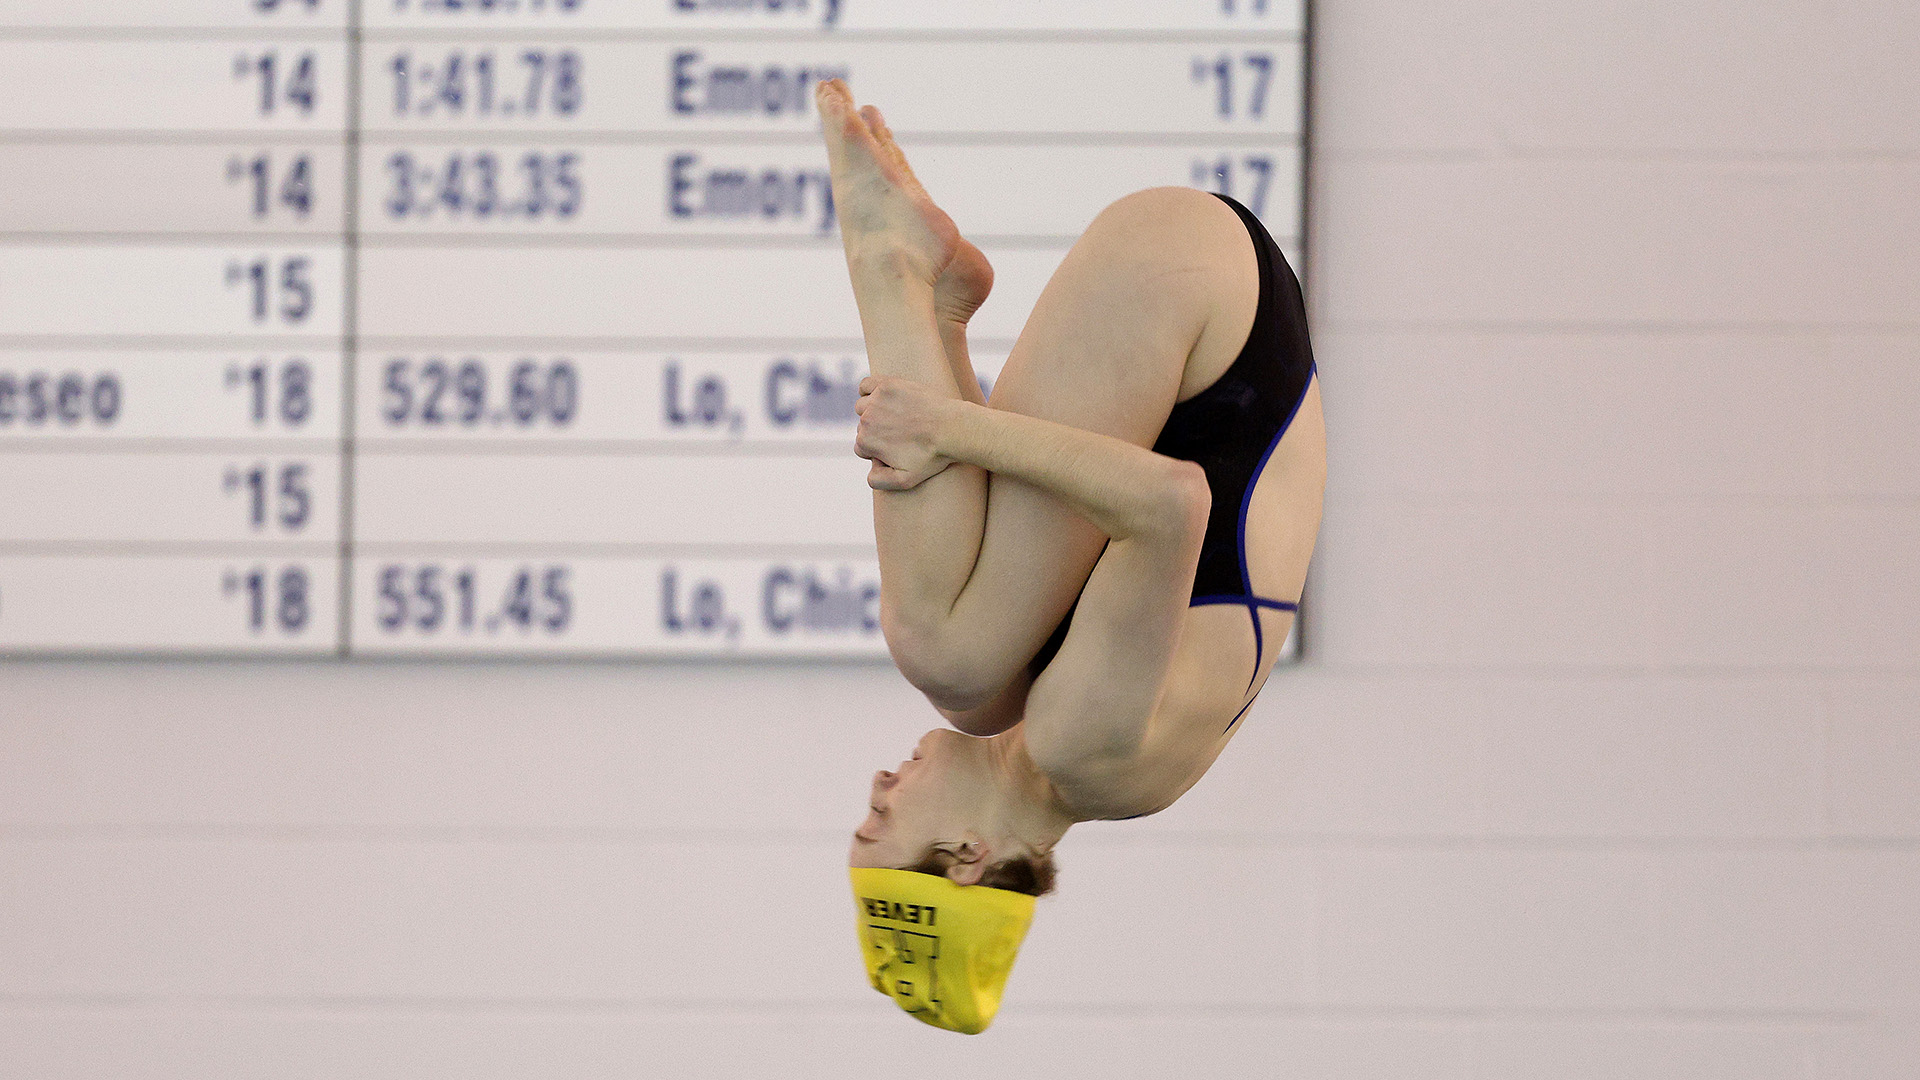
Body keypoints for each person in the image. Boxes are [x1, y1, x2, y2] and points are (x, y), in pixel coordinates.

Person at [820, 79, 1323, 1033]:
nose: (879, 788)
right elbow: (1171, 505)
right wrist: (949, 427)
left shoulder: (1051, 745)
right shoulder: (1083, 750)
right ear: (967, 857)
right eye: (882, 823)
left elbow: (1040, 538)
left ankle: (937, 303)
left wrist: (954, 395)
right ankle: (887, 265)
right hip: (1197, 291)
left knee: (973, 679)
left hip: (1222, 320)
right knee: (943, 648)